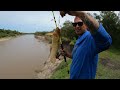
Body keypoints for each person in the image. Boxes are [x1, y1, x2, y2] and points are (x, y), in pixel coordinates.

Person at [59, 11, 112, 79]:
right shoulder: (79, 39)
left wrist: (81, 14)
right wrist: (67, 54)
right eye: (74, 24)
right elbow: (77, 57)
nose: (77, 26)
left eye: (80, 23)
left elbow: (107, 42)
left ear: (86, 25)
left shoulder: (91, 38)